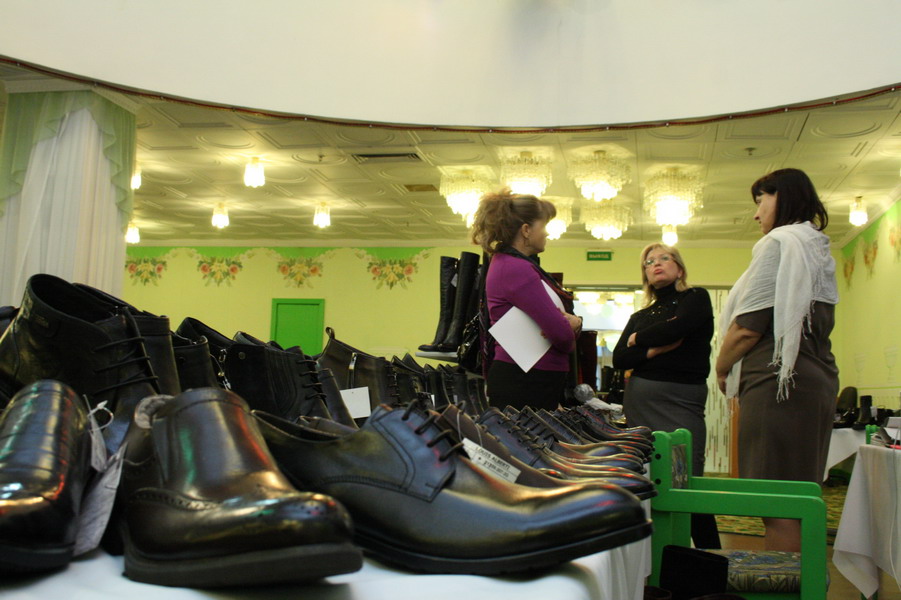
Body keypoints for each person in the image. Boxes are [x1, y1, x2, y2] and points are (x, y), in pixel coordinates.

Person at [715, 168, 838, 552]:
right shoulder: (817, 248)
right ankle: (805, 577)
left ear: (782, 197)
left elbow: (747, 327)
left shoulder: (779, 243)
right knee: (801, 497)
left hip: (778, 386)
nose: (756, 214)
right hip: (815, 380)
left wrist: (721, 366)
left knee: (777, 502)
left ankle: (785, 581)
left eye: (760, 201)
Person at [612, 243, 720, 549]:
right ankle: (656, 559)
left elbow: (679, 328)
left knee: (688, 480)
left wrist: (638, 340)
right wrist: (653, 350)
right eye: (649, 262)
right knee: (648, 478)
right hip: (641, 403)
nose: (656, 264)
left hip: (682, 400)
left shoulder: (695, 298)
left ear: (679, 268)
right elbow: (620, 358)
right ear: (645, 275)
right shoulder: (640, 314)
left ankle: (710, 560)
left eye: (664, 258)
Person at [470, 189, 582, 411]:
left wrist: (570, 325)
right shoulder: (516, 268)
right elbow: (562, 337)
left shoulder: (508, 263)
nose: (546, 233)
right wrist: (574, 325)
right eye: (544, 226)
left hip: (527, 375)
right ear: (526, 230)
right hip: (527, 379)